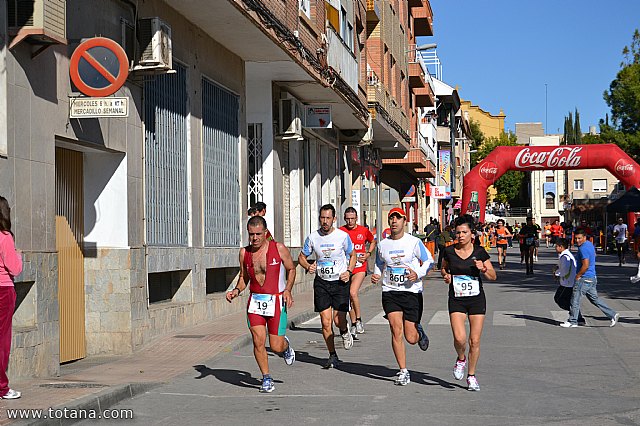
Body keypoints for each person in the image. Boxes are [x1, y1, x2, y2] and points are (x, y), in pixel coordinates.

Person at [226, 215, 296, 393]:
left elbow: (291, 268)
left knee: (275, 346)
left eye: (258, 234)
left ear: (265, 233)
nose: (254, 238)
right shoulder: (244, 253)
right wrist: (236, 291)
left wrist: (287, 289)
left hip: (277, 301)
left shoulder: (278, 248)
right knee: (258, 341)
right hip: (255, 302)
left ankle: (285, 347)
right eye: (251, 234)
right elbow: (244, 278)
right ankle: (266, 378)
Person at [371, 207, 433, 386]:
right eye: (391, 218)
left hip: (411, 291)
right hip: (390, 291)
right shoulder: (383, 244)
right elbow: (379, 262)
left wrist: (418, 273)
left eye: (398, 218)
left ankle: (418, 332)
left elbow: (429, 261)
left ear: (404, 221)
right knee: (394, 328)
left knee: (410, 338)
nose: (394, 221)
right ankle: (403, 371)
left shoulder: (413, 242)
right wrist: (376, 274)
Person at [441, 214, 496, 391]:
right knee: (459, 338)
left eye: (464, 232)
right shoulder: (448, 251)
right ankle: (461, 358)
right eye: (457, 233)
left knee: (474, 340)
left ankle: (471, 376)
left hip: (476, 299)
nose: (460, 236)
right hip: (456, 298)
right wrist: (446, 275)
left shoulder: (479, 252)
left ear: (472, 234)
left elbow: (493, 276)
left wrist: (484, 268)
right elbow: (443, 268)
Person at [298, 204, 357, 369]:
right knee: (325, 322)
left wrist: (350, 271)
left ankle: (345, 331)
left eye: (328, 218)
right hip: (322, 283)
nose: (324, 221)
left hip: (340, 282)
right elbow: (302, 256)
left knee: (339, 321)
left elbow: (353, 255)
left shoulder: (342, 237)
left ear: (334, 219)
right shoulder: (313, 237)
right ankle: (332, 355)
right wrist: (307, 266)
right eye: (322, 218)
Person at [560, 228, 619, 328]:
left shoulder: (583, 248)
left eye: (579, 238)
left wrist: (578, 275)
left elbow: (585, 265)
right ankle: (612, 314)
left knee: (575, 299)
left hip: (584, 278)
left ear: (584, 237)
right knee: (594, 299)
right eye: (576, 238)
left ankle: (573, 321)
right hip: (592, 277)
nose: (577, 241)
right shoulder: (589, 244)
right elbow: (593, 255)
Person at [339, 207, 376, 337]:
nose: (350, 221)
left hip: (360, 267)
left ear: (356, 219)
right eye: (347, 219)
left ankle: (359, 319)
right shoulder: (341, 231)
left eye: (352, 219)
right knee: (348, 297)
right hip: (346, 268)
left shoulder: (363, 230)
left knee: (352, 292)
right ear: (344, 218)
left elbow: (373, 241)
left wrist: (368, 253)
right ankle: (353, 323)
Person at [0, 196, 23, 399]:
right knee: (2, 339)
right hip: (3, 290)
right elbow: (14, 268)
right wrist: (18, 255)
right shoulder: (5, 236)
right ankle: (2, 387)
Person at [552, 238, 585, 324]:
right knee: (570, 300)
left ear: (561, 247)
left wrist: (556, 273)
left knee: (559, 299)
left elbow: (565, 270)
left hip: (567, 283)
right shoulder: (566, 255)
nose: (555, 248)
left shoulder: (565, 257)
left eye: (556, 246)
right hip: (569, 282)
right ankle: (579, 318)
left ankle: (575, 315)